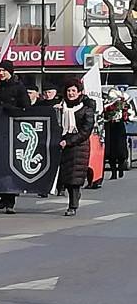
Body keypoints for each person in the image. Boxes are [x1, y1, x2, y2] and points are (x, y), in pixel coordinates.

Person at [0, 59, 31, 214]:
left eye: (3, 71)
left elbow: (26, 108)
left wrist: (11, 109)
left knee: (11, 164)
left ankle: (10, 198)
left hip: (13, 130)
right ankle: (2, 193)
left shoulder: (19, 88)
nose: (1, 73)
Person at [56, 78, 96, 216]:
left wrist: (70, 141)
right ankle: (73, 196)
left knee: (74, 178)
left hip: (79, 145)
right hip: (63, 143)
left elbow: (86, 131)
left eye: (73, 91)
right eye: (68, 90)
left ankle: (72, 205)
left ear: (79, 92)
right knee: (65, 176)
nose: (70, 93)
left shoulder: (86, 109)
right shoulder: (61, 107)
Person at [103, 88, 130, 180]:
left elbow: (127, 114)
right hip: (110, 127)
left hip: (119, 127)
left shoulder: (122, 104)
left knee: (120, 149)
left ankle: (121, 168)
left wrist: (124, 114)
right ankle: (114, 173)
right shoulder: (106, 103)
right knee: (111, 151)